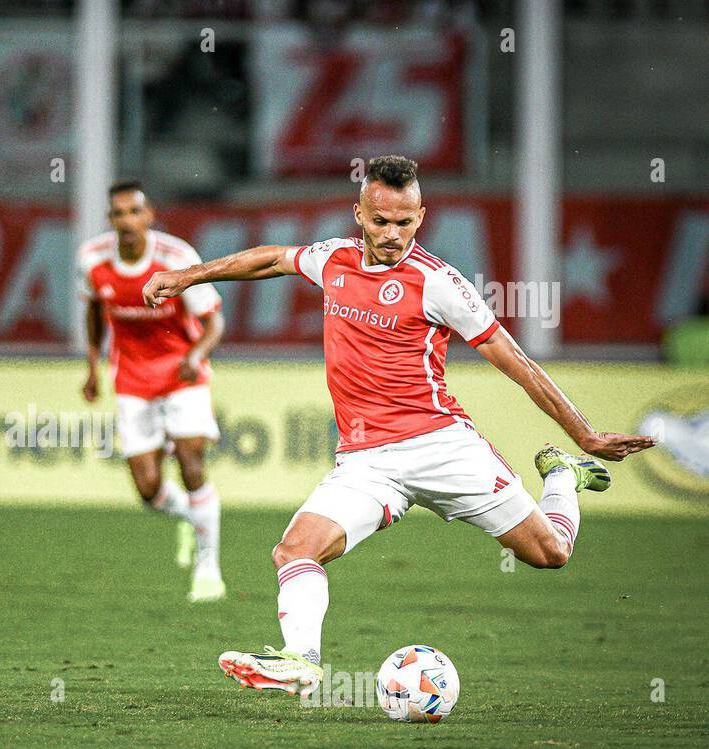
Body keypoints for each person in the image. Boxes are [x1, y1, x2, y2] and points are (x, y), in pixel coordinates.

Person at [141, 155, 656, 693]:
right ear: (359, 214)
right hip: (365, 462)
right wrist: (188, 276)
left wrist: (586, 436)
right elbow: (271, 259)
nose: (393, 234)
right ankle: (301, 661)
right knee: (294, 550)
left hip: (441, 447)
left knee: (550, 554)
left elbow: (518, 363)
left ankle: (560, 477)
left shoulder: (439, 284)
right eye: (382, 221)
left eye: (405, 222)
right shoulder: (333, 259)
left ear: (421, 216)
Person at [78, 180, 227, 602]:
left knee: (191, 462)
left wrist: (196, 356)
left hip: (182, 375)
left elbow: (214, 322)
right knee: (148, 490)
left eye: (134, 212)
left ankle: (207, 567)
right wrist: (92, 366)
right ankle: (188, 517)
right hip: (132, 379)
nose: (126, 221)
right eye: (118, 214)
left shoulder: (177, 258)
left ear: (149, 216)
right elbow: (93, 311)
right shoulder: (91, 260)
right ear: (111, 220)